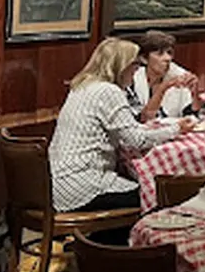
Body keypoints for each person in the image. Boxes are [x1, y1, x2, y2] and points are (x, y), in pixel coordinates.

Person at [49, 37, 195, 218]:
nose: (136, 72)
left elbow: (131, 127)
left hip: (56, 182)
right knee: (158, 196)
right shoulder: (109, 91)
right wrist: (177, 129)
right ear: (122, 66)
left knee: (138, 188)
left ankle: (102, 241)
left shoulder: (81, 86)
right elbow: (136, 140)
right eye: (134, 66)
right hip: (83, 186)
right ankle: (115, 244)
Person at [129, 29, 199, 121]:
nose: (167, 58)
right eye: (160, 54)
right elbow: (141, 119)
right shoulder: (133, 78)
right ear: (144, 58)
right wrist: (164, 87)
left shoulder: (180, 75)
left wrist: (195, 93)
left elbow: (192, 116)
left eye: (169, 53)